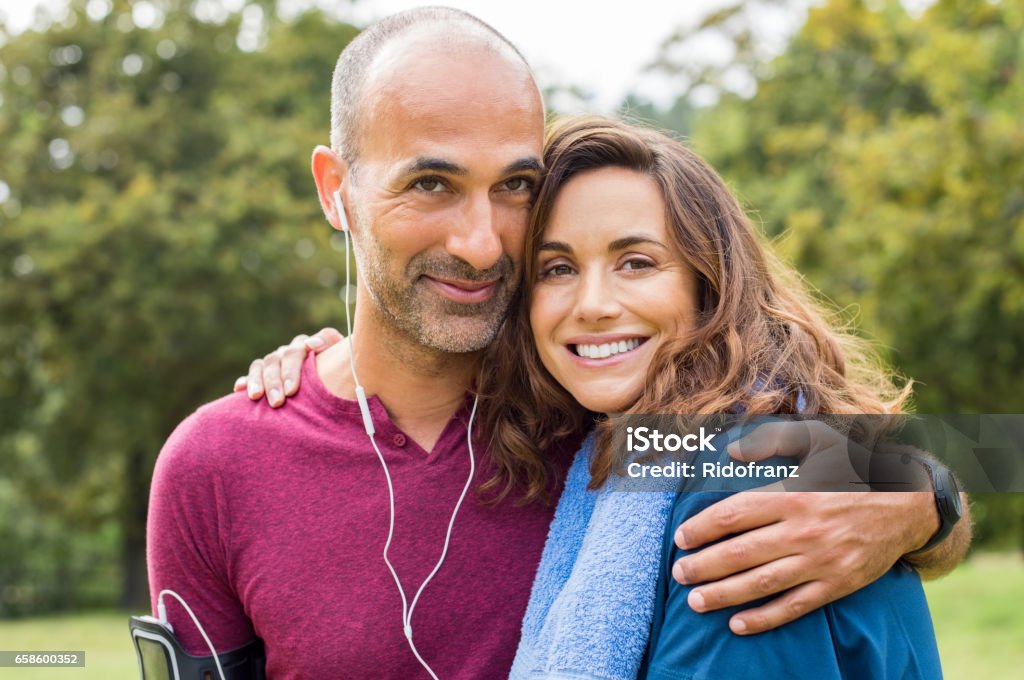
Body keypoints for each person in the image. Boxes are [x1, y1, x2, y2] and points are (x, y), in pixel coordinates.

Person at [150, 7, 968, 679]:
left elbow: (920, 458)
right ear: (338, 190)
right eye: (430, 183)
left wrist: (917, 502)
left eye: (514, 187)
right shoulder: (216, 465)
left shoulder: (609, 421)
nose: (478, 241)